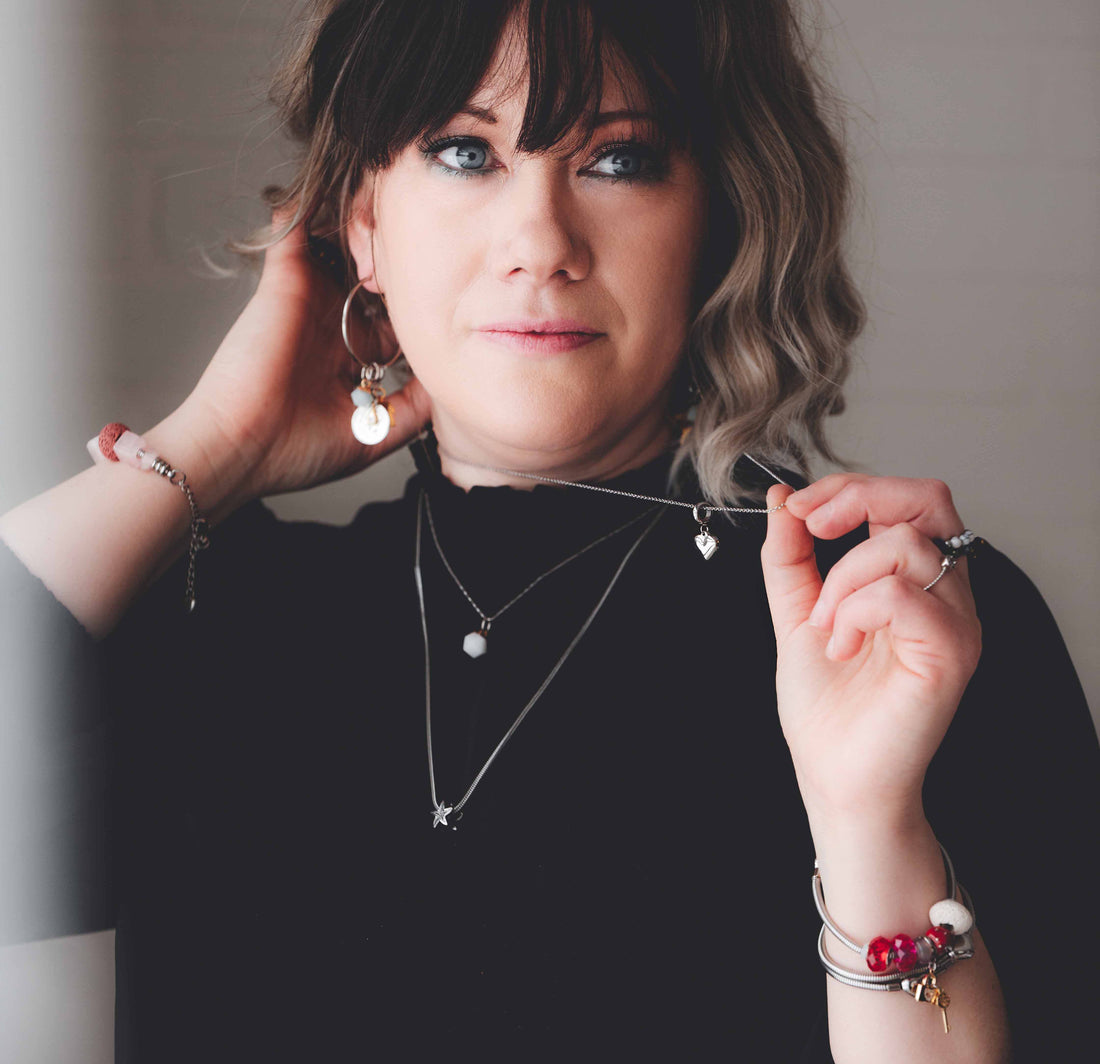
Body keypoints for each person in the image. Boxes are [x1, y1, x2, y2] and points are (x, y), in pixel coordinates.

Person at [0, 0, 1095, 1060]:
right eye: (462, 152)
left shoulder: (896, 623)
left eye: (618, 159)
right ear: (362, 222)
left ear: (718, 217)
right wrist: (209, 447)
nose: (539, 242)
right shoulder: (215, 613)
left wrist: (868, 824)